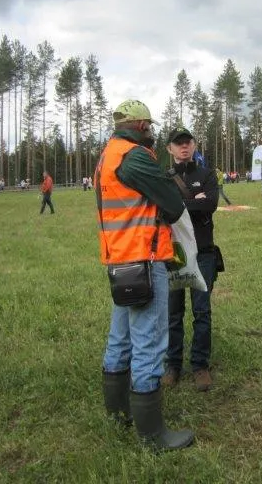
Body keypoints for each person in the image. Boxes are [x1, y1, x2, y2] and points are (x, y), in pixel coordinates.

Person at [96, 99, 194, 451]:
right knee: (149, 343)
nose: (151, 132)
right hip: (145, 259)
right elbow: (174, 203)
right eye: (149, 126)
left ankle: (118, 415)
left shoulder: (109, 155)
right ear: (140, 126)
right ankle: (153, 435)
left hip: (120, 259)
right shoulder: (135, 156)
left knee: (119, 339)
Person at [162, 127, 219, 392]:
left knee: (202, 311)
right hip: (173, 252)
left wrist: (179, 205)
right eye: (178, 143)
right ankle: (173, 365)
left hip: (203, 251)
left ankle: (200, 366)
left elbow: (210, 204)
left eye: (188, 142)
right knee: (172, 313)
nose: (184, 146)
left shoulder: (207, 174)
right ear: (169, 149)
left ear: (194, 146)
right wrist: (194, 201)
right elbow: (161, 209)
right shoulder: (163, 178)